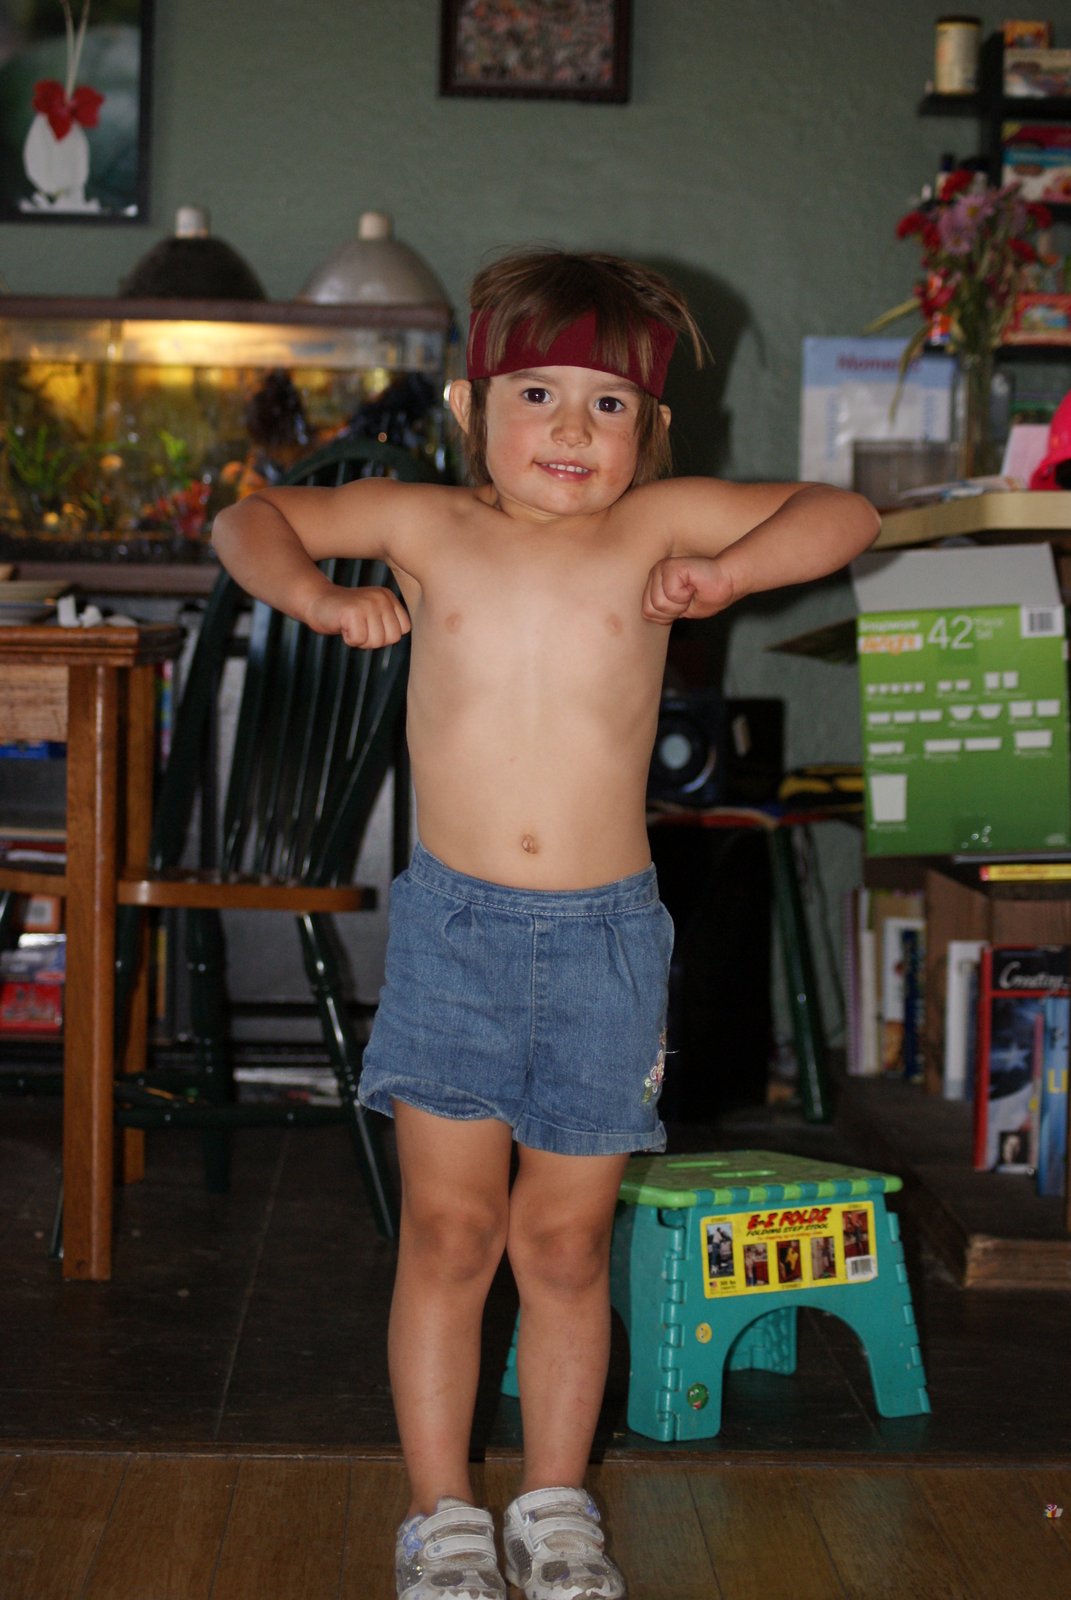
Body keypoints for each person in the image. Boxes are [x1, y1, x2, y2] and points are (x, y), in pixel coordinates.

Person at [212, 246, 879, 1600]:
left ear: (652, 430)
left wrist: (730, 575)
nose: (574, 428)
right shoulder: (424, 525)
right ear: (471, 407)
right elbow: (251, 519)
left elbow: (845, 515)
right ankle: (443, 1514)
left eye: (610, 404)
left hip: (604, 945)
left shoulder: (656, 526)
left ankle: (557, 1506)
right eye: (538, 394)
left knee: (567, 1246)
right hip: (456, 937)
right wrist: (319, 595)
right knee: (450, 1234)